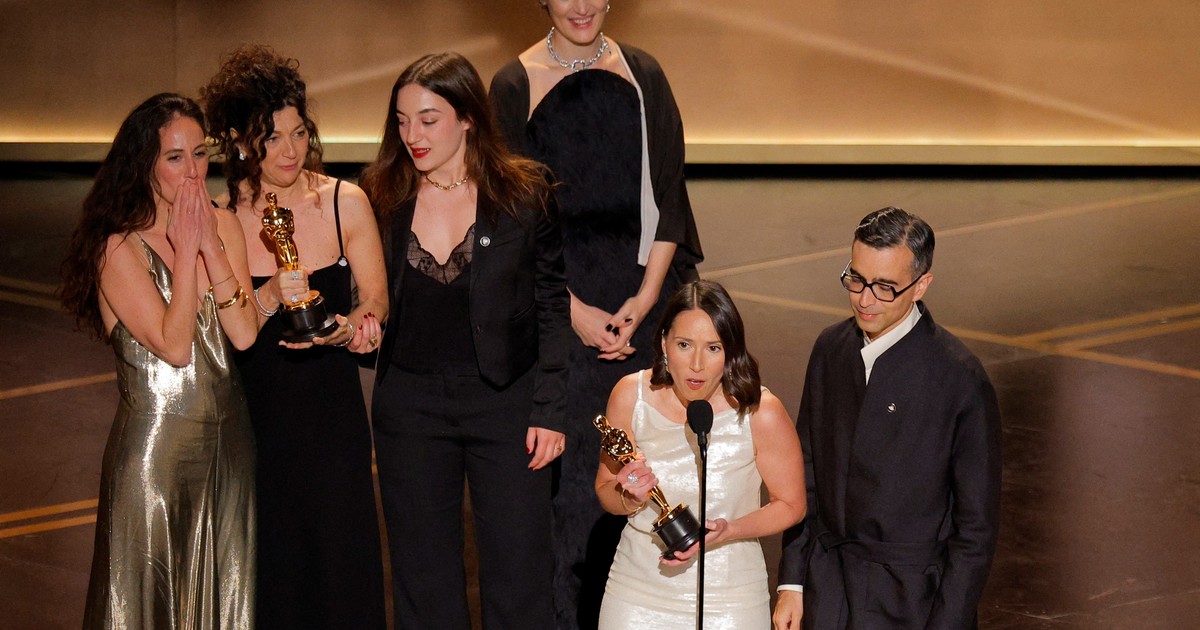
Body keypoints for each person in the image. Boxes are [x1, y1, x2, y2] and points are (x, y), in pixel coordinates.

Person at [490, 3, 704, 625]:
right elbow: (508, 216)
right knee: (575, 487)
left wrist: (648, 299)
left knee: (658, 469)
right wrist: (572, 311)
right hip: (556, 304)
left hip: (644, 301)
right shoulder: (513, 85)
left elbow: (670, 197)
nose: (581, 5)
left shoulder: (645, 74)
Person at [358, 51, 571, 630]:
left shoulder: (525, 192)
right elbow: (367, 295)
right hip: (409, 407)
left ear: (469, 117)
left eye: (429, 120)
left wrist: (551, 410)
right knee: (422, 578)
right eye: (402, 121)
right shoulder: (379, 196)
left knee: (519, 573)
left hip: (507, 404)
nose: (413, 135)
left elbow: (553, 307)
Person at [200, 45, 388, 629]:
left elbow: (376, 300)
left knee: (342, 565)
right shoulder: (222, 216)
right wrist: (270, 295)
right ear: (240, 142)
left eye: (299, 133)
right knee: (274, 575)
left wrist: (352, 329)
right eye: (272, 138)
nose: (290, 150)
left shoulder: (344, 201)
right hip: (258, 422)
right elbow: (231, 330)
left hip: (332, 418)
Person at [62, 93, 259, 629]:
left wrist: (210, 245)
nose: (192, 171)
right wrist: (187, 247)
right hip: (156, 458)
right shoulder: (118, 248)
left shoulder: (225, 226)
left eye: (199, 154)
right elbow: (174, 346)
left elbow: (244, 335)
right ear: (144, 164)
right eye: (175, 157)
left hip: (229, 449)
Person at [773, 207, 1003, 630]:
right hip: (828, 590)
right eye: (856, 279)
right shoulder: (830, 350)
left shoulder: (959, 378)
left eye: (884, 287)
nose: (865, 299)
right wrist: (793, 582)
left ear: (921, 286)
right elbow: (805, 473)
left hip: (912, 603)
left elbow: (975, 530)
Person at [594, 280, 806, 628]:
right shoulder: (630, 396)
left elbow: (792, 505)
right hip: (636, 595)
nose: (697, 364)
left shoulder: (760, 411)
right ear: (664, 342)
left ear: (730, 351)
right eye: (684, 345)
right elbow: (605, 490)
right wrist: (629, 497)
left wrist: (730, 529)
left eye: (713, 348)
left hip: (730, 599)